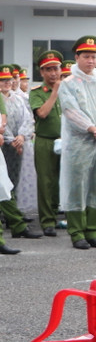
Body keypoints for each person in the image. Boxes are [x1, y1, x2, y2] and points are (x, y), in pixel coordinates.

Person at [58, 35, 96, 250]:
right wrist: (92, 129)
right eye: (86, 57)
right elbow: (71, 111)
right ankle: (77, 233)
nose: (91, 61)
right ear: (77, 57)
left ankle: (93, 231)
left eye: (94, 57)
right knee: (77, 187)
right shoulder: (68, 83)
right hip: (79, 143)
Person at [0, 64, 41, 240]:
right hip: (5, 145)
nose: (6, 83)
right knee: (4, 184)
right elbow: (2, 124)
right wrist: (11, 139)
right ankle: (14, 221)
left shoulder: (18, 99)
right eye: (2, 80)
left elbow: (28, 119)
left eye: (8, 80)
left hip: (17, 145)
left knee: (11, 182)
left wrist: (21, 137)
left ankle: (15, 221)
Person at [29, 50, 63, 237]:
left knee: (61, 181)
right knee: (45, 182)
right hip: (45, 141)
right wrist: (55, 93)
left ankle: (57, 214)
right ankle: (47, 221)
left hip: (65, 140)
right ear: (41, 72)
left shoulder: (68, 89)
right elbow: (42, 113)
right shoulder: (36, 93)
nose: (53, 73)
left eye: (56, 69)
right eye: (48, 69)